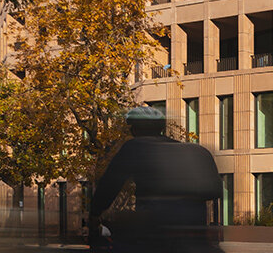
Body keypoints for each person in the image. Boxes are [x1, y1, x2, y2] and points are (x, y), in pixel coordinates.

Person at [90, 106, 223, 253]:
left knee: (121, 235)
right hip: (195, 227)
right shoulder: (196, 151)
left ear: (135, 130)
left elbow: (110, 184)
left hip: (155, 226)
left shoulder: (135, 147)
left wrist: (95, 214)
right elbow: (214, 191)